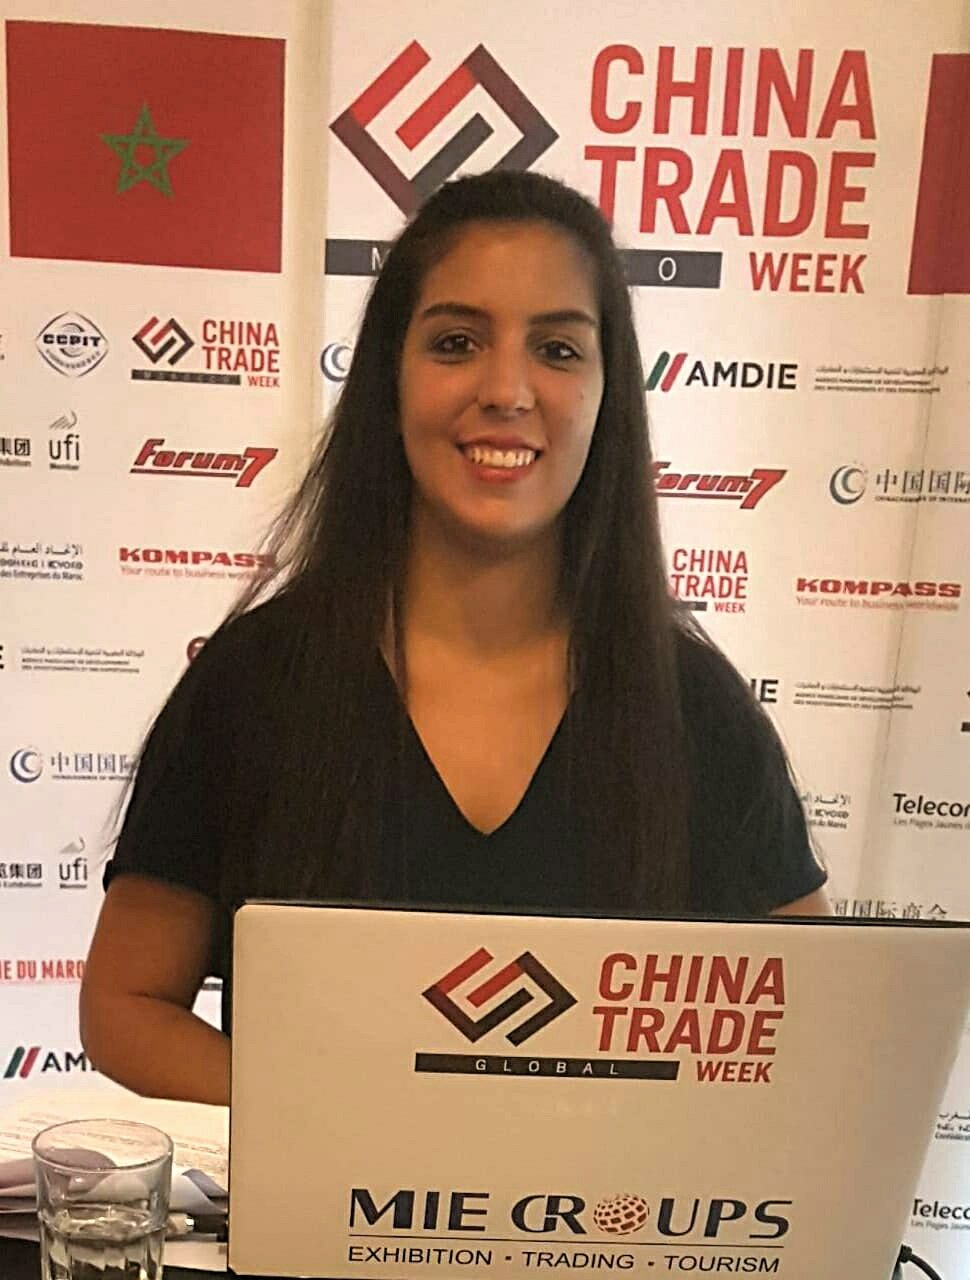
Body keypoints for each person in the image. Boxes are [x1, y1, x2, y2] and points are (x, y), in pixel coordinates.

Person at [79, 170, 829, 1106]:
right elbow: (125, 1004)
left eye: (558, 349)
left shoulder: (695, 709)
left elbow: (815, 1022)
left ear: (609, 394)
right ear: (390, 377)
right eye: (457, 342)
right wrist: (325, 1122)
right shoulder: (254, 682)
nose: (506, 390)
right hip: (322, 1203)